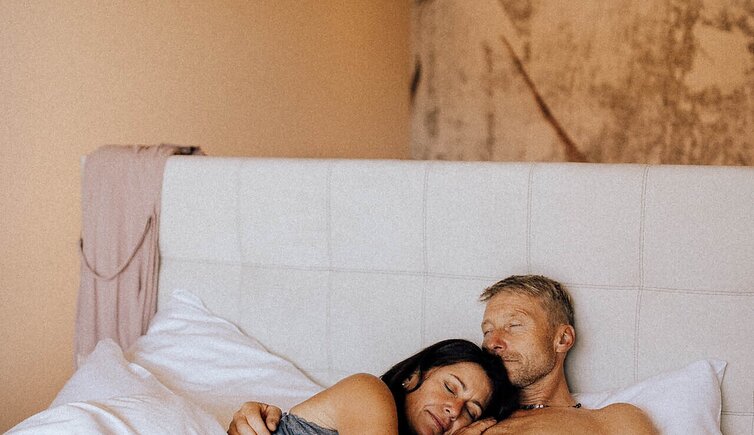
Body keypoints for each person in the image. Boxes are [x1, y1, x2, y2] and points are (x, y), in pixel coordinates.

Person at [230, 275, 658, 435]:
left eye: (514, 325)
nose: (494, 342)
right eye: (487, 330)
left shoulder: (611, 420)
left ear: (562, 339)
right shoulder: (445, 422)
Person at [228, 339, 519, 435]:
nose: (454, 410)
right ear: (412, 376)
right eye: (450, 388)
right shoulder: (369, 392)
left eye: (471, 411)